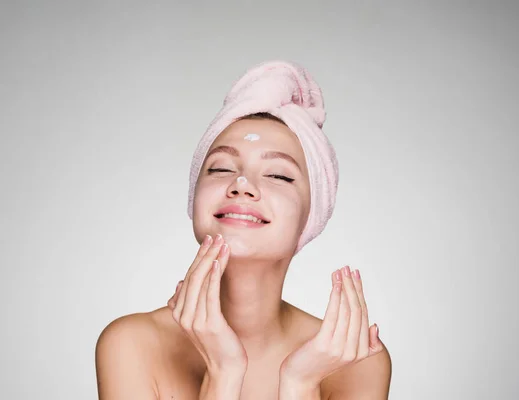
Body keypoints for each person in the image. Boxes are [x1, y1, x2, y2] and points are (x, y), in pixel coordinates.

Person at [95, 61, 392, 399]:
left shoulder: (355, 360)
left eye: (278, 175)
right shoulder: (131, 343)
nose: (241, 185)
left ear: (311, 218)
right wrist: (224, 372)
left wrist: (299, 384)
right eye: (220, 168)